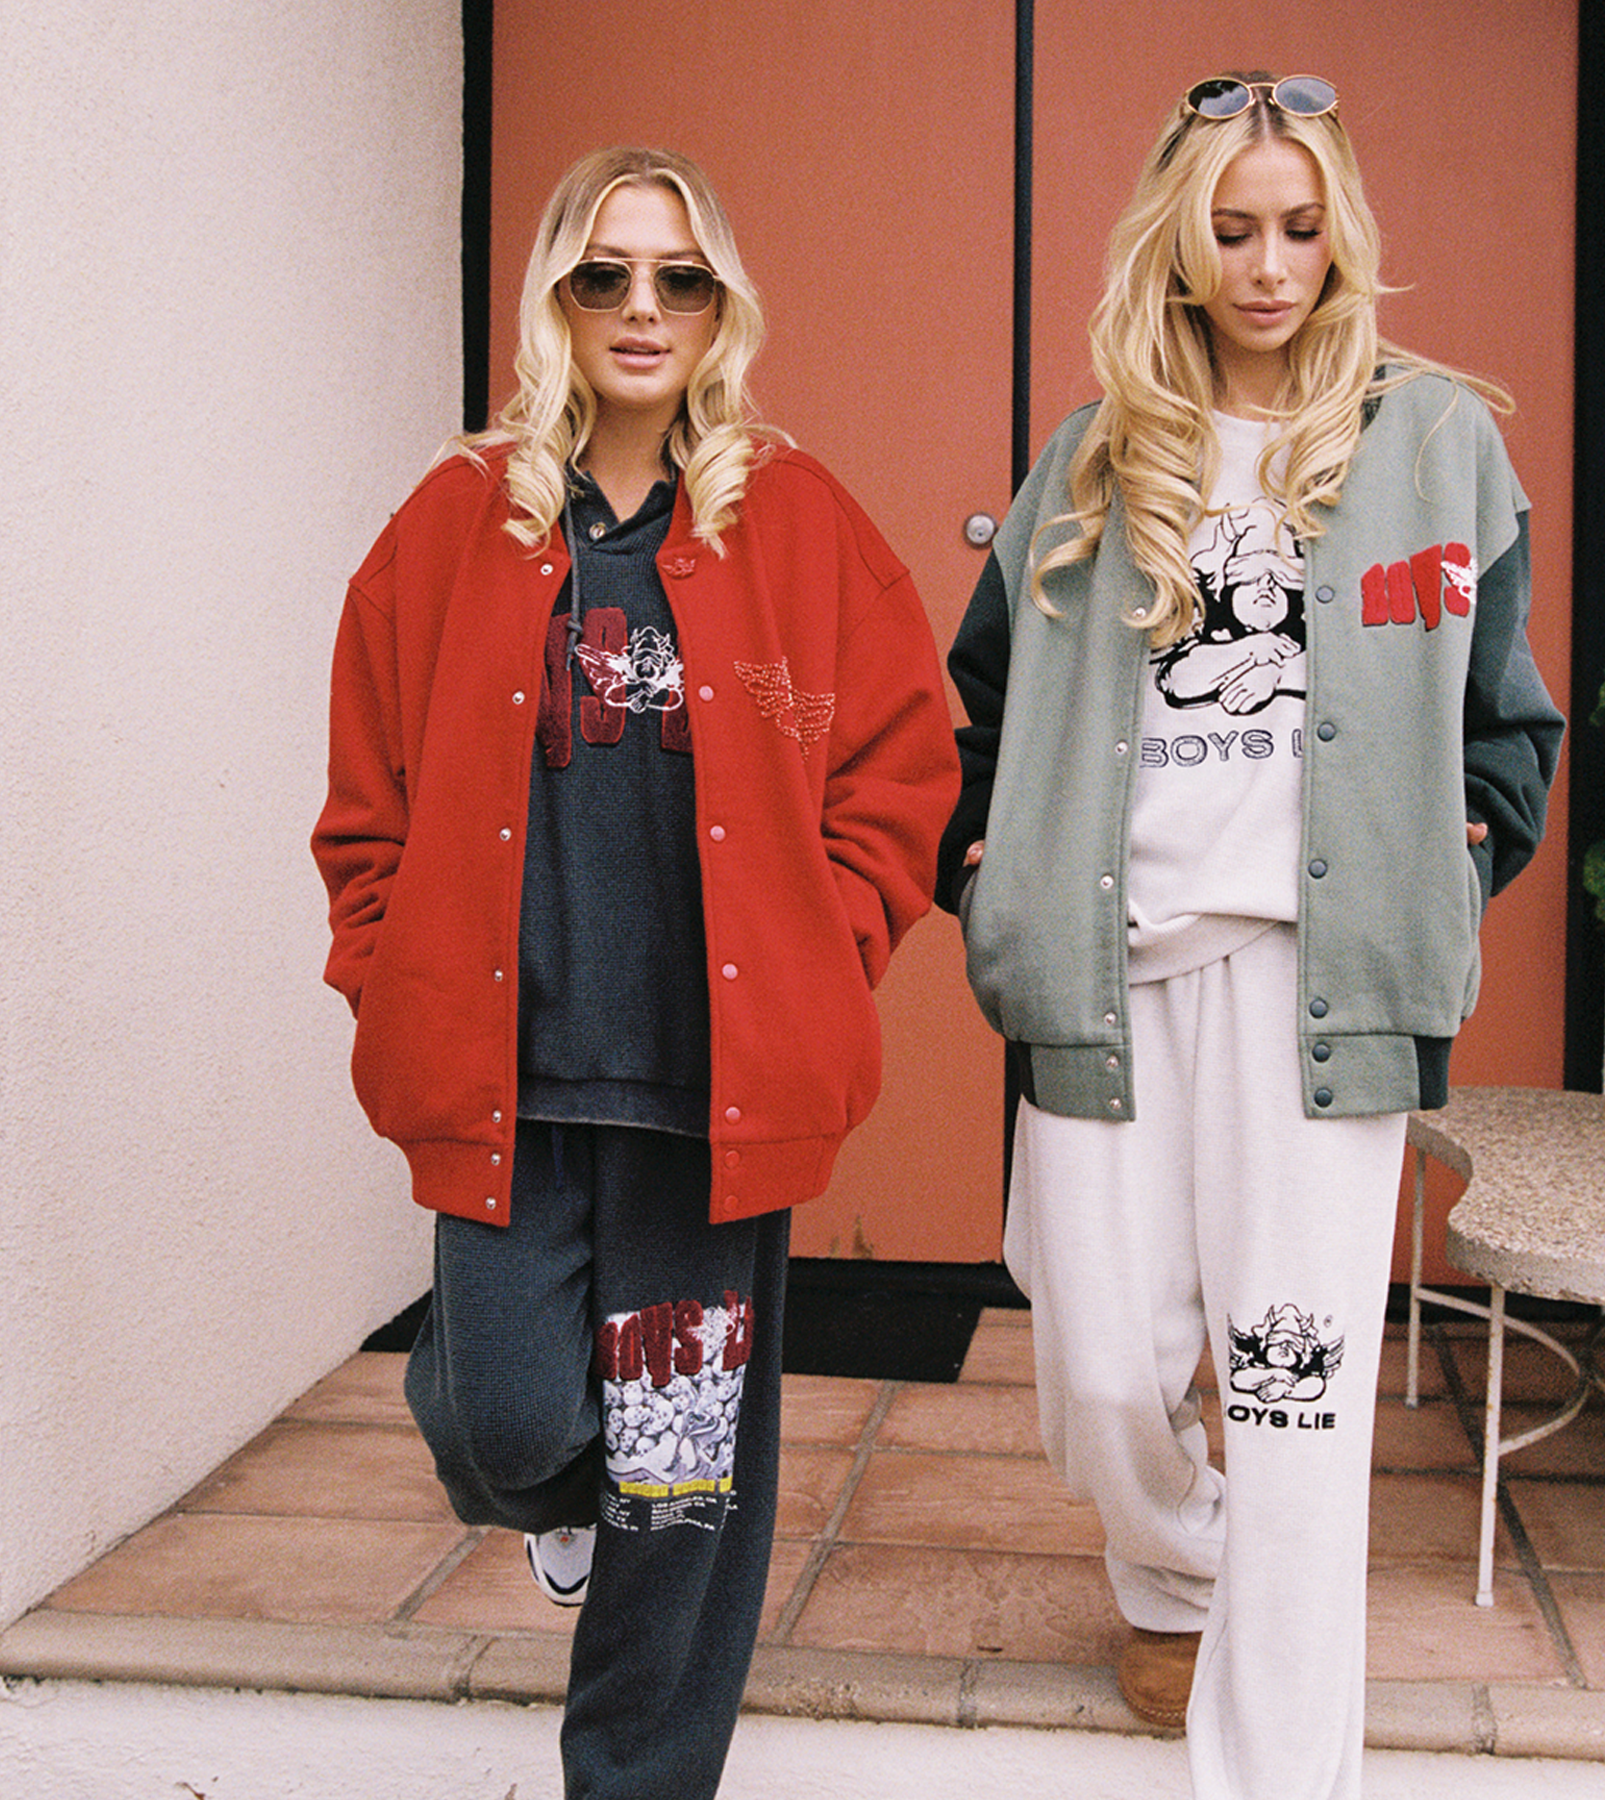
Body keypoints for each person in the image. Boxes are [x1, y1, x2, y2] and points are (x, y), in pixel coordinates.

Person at [936, 75, 1563, 1800]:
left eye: (1299, 228)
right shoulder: (1092, 452)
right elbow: (977, 705)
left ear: (1340, 232)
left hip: (1320, 988)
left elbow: (1508, 720)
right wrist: (977, 855)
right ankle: (1174, 1570)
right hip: (1110, 978)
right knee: (1102, 1370)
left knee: (1298, 1412)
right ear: (1182, 243)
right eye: (1233, 229)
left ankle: (1280, 1768)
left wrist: (1471, 836)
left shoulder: (1437, 445)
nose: (1270, 265)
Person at [312, 145, 958, 1800]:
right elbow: (367, 794)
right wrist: (389, 971)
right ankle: (563, 1509)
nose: (642, 308)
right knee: (509, 1424)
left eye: (678, 277)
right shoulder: (460, 522)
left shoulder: (790, 517)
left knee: (682, 1493)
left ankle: (639, 1782)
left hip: (706, 1095)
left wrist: (835, 943)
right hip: (507, 1082)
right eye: (604, 275)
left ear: (721, 303)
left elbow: (898, 765)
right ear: (556, 302)